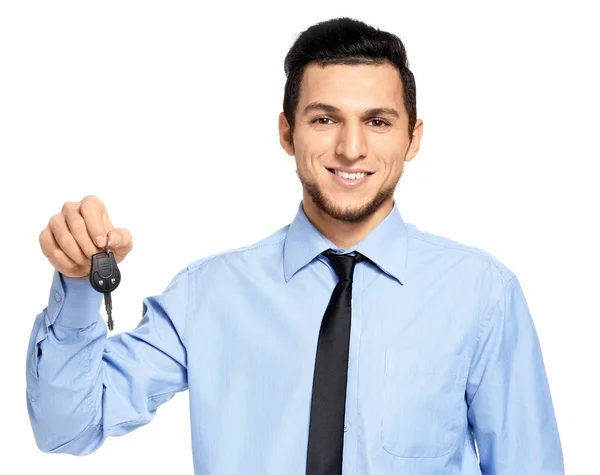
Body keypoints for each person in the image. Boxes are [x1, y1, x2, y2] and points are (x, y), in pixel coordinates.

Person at [27, 16, 564, 475]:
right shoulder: (209, 295)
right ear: (287, 133)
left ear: (413, 138)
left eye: (378, 122)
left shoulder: (480, 293)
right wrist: (77, 286)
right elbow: (67, 427)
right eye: (324, 119)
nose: (351, 149)